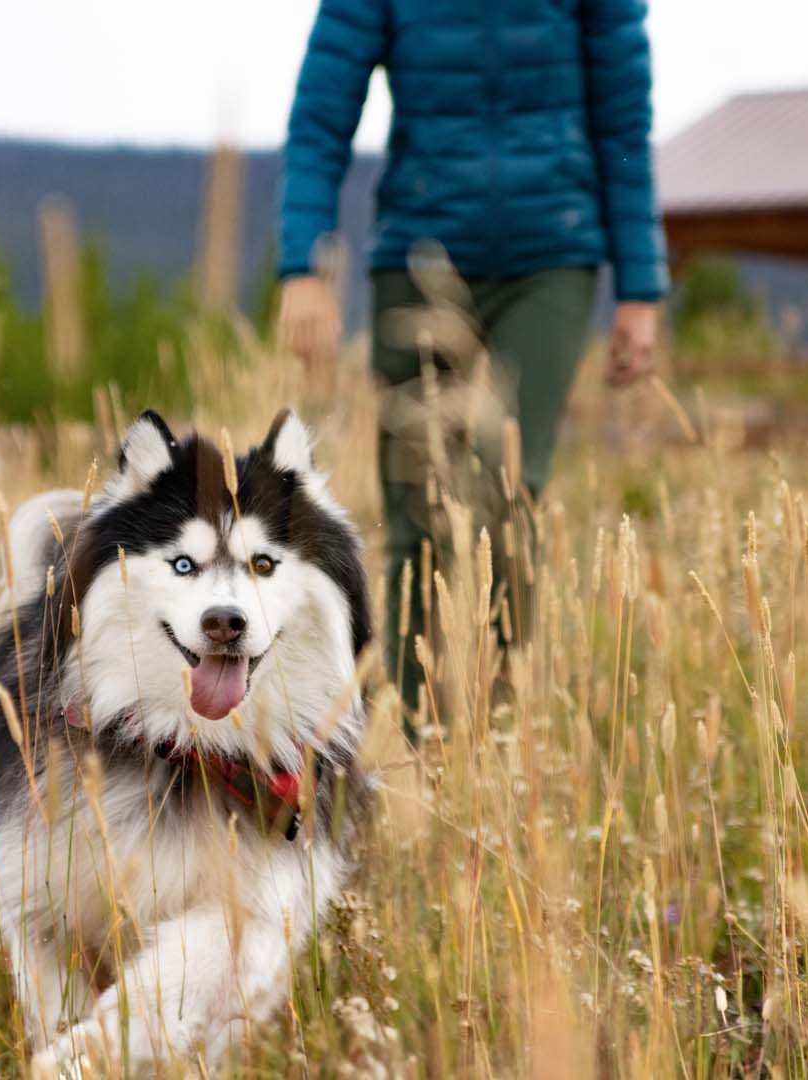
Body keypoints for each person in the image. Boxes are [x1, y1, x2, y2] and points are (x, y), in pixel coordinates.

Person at [275, 0, 668, 713]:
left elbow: (622, 124)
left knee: (505, 490)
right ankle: (417, 734)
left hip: (551, 255)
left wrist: (639, 287)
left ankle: (496, 726)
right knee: (418, 507)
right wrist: (301, 268)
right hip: (420, 252)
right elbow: (320, 117)